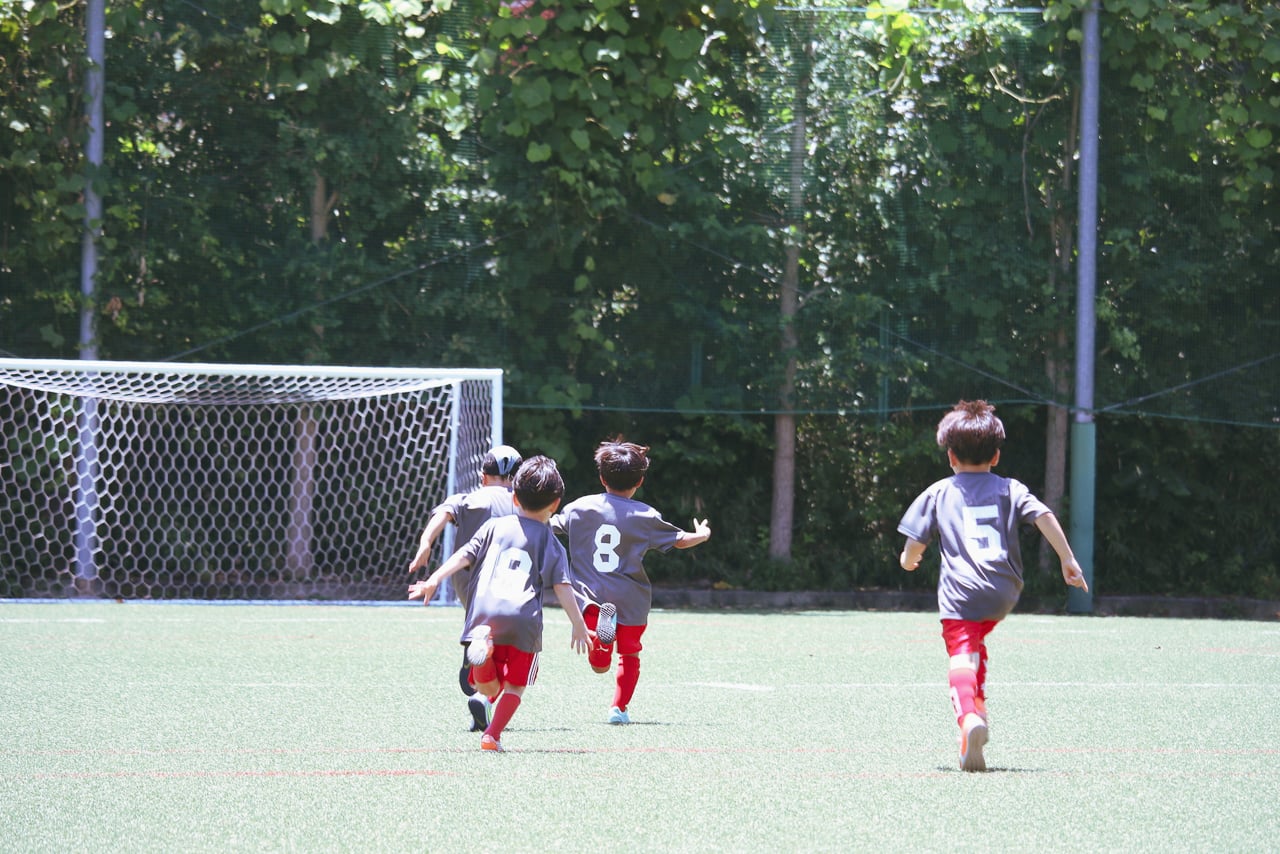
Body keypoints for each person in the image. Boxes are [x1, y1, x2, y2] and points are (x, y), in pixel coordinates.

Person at [897, 400, 1089, 772]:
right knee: (975, 649)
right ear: (996, 456)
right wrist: (1068, 558)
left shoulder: (939, 492)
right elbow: (1044, 516)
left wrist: (908, 560)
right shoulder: (1009, 488)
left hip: (961, 593)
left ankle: (968, 717)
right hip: (1004, 590)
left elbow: (914, 543)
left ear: (950, 456)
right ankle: (978, 712)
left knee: (960, 653)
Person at [408, 455, 590, 752]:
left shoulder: (494, 526)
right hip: (523, 620)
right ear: (555, 505)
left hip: (483, 614)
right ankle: (492, 736)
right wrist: (579, 625)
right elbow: (563, 586)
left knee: (488, 686)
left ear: (514, 497)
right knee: (515, 686)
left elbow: (464, 556)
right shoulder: (550, 541)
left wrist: (434, 579)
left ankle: (483, 656)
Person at [551, 440, 711, 724]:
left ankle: (600, 644)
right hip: (631, 598)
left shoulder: (580, 507)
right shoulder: (645, 515)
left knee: (600, 664)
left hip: (590, 597)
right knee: (630, 654)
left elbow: (550, 525)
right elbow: (680, 540)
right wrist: (702, 534)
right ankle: (619, 709)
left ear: (601, 477)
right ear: (639, 481)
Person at [408, 444, 522, 732]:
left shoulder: (468, 498)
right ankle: (482, 686)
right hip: (507, 577)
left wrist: (425, 543)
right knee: (508, 644)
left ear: (483, 476)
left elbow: (442, 516)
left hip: (465, 577)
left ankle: (475, 645)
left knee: (484, 627)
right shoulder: (521, 502)